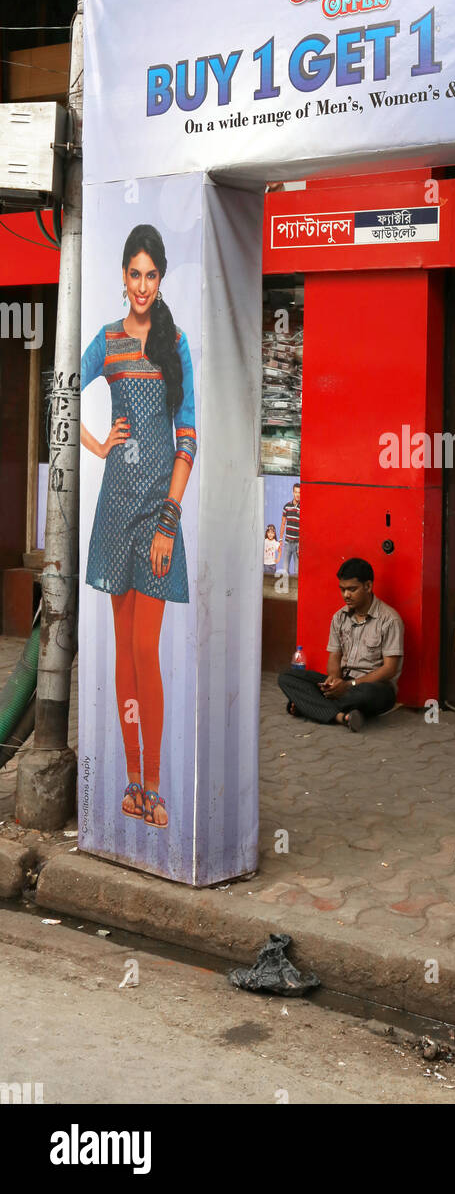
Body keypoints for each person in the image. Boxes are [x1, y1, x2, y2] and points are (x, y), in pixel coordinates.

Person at [80, 223, 197, 832]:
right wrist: (99, 444)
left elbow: (189, 439)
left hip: (158, 514)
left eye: (152, 275)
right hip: (115, 509)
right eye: (135, 274)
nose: (143, 285)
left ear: (161, 279)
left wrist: (169, 522)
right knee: (124, 651)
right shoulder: (106, 341)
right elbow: (62, 392)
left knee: (146, 649)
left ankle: (155, 783)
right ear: (123, 277)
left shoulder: (173, 345)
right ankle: (130, 782)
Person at [277, 558, 403, 732]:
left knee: (368, 694)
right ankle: (341, 716)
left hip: (373, 688)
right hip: (344, 684)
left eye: (352, 589)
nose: (346, 595)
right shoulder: (339, 617)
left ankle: (308, 706)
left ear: (368, 586)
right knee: (287, 677)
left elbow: (390, 669)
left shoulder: (390, 620)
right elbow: (334, 657)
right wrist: (334, 681)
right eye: (342, 590)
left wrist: (349, 686)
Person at [279, 482, 300, 576]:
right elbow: (283, 524)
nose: (298, 494)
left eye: (300, 492)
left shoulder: (304, 507)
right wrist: (280, 540)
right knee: (285, 571)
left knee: (297, 572)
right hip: (287, 543)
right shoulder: (286, 507)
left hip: (297, 544)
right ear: (293, 492)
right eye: (296, 492)